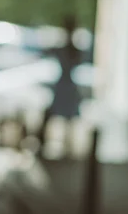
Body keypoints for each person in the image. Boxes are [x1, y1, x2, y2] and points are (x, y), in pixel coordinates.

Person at [36, 14, 83, 158]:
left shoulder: (71, 48)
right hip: (65, 84)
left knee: (66, 117)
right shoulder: (69, 47)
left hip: (66, 84)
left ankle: (66, 146)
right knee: (59, 115)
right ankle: (49, 143)